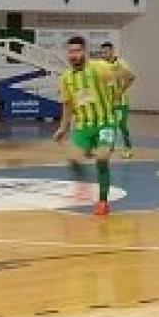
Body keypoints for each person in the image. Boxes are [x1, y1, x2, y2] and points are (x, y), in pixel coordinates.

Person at [54, 36, 120, 217]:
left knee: (102, 158)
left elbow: (123, 77)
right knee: (73, 159)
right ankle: (86, 184)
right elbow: (67, 104)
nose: (73, 55)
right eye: (70, 51)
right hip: (82, 126)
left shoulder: (100, 68)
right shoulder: (66, 77)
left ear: (84, 52)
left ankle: (103, 201)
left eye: (77, 51)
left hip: (104, 123)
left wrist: (117, 94)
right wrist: (63, 127)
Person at [98, 42, 136, 158]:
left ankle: (128, 148)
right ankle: (109, 147)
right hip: (107, 101)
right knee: (107, 124)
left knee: (121, 125)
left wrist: (121, 91)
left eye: (106, 52)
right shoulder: (100, 65)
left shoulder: (121, 64)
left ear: (112, 51)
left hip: (121, 102)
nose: (104, 54)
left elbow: (132, 77)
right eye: (102, 52)